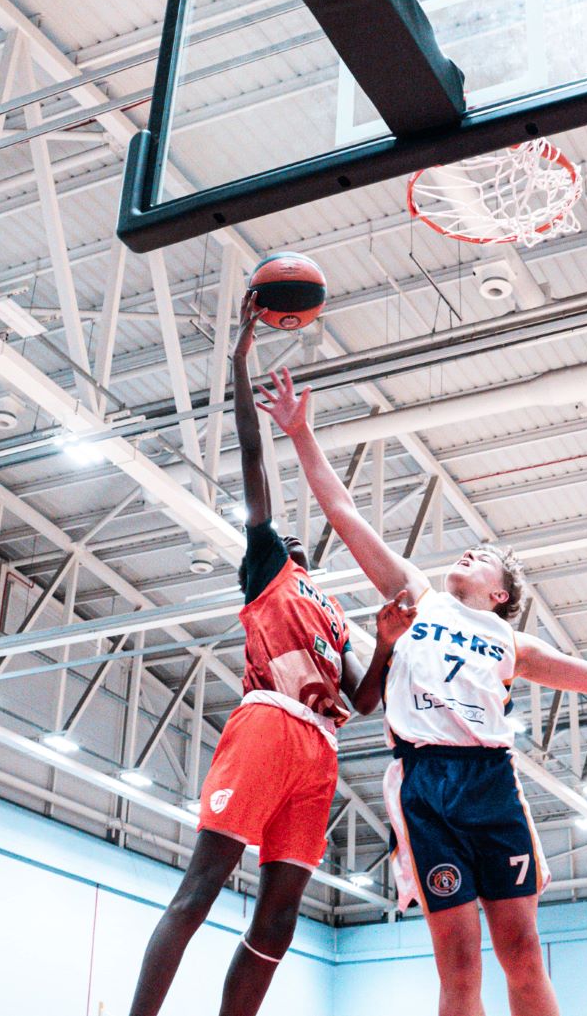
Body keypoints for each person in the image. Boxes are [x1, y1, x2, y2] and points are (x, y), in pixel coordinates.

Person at [258, 365, 587, 1016]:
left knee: (522, 953)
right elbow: (345, 512)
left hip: (490, 783)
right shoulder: (416, 596)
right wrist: (301, 432)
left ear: (501, 595)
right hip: (424, 781)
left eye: (484, 557)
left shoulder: (512, 644)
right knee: (459, 965)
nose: (469, 553)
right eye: (468, 550)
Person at [126, 295, 398, 1016]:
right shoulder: (268, 568)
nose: (288, 539)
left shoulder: (331, 614)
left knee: (278, 920)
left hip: (320, 748)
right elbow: (253, 459)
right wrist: (241, 363)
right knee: (203, 885)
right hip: (268, 723)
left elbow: (365, 700)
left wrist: (387, 639)